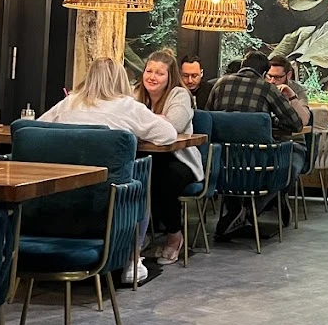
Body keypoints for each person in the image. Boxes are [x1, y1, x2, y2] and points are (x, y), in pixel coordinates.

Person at [38, 57, 177, 284]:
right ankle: (132, 261)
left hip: (59, 195)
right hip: (110, 199)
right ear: (121, 79)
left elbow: (38, 128)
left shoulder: (68, 103)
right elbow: (168, 135)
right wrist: (134, 135)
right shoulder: (129, 106)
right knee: (141, 175)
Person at [207, 50, 305, 239]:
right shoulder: (267, 89)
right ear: (264, 73)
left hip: (222, 166)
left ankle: (236, 210)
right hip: (257, 167)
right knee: (285, 163)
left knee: (234, 157)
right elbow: (296, 124)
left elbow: (208, 117)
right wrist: (269, 120)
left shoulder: (220, 84)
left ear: (243, 65)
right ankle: (249, 209)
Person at [134, 49, 205, 266]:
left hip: (180, 159)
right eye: (149, 71)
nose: (152, 77)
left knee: (162, 179)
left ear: (169, 76)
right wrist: (157, 119)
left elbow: (174, 125)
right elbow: (122, 120)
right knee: (132, 178)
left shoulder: (180, 95)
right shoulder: (135, 92)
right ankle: (139, 234)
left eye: (159, 73)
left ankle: (175, 235)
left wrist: (140, 120)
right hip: (145, 157)